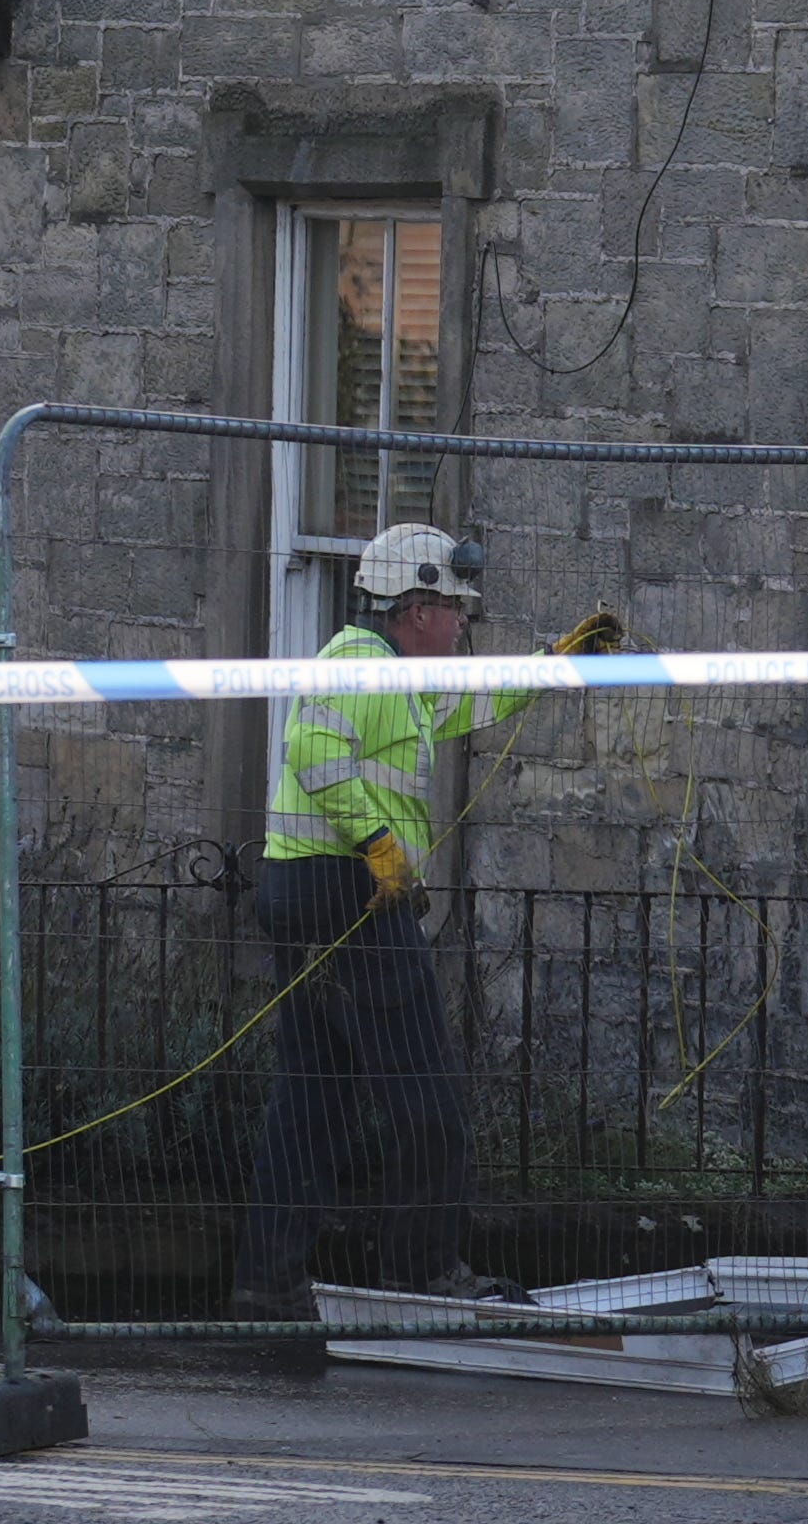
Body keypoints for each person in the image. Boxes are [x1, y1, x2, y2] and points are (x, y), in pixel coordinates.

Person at [226, 522, 624, 1322]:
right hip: (352, 898)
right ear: (416, 608)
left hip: (306, 895)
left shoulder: (391, 675)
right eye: (457, 610)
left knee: (314, 1102)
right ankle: (423, 1274)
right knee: (429, 1096)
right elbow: (313, 748)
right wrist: (378, 845)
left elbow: (472, 700)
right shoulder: (358, 667)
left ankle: (268, 1284)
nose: (464, 624)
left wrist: (551, 667)